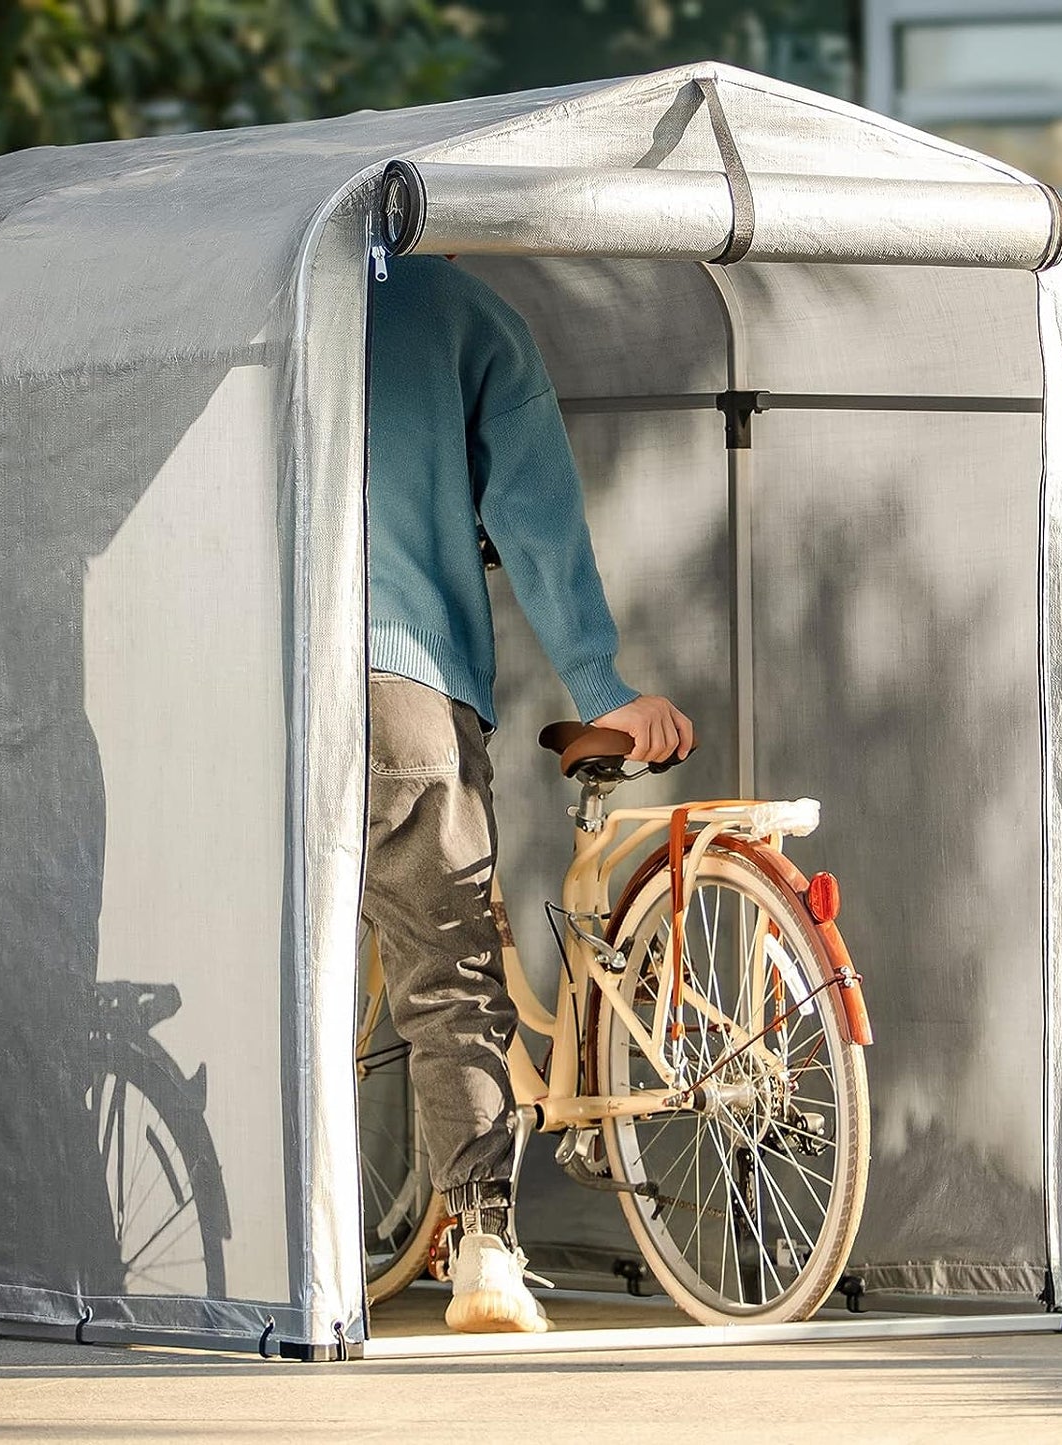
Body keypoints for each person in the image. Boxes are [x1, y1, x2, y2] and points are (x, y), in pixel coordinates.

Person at [363, 255, 693, 1333]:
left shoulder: (235, 291)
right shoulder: (456, 312)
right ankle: (484, 1245)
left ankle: (257, 1241)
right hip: (397, 684)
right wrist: (602, 683)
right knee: (447, 969)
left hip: (248, 684)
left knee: (263, 964)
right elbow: (534, 514)